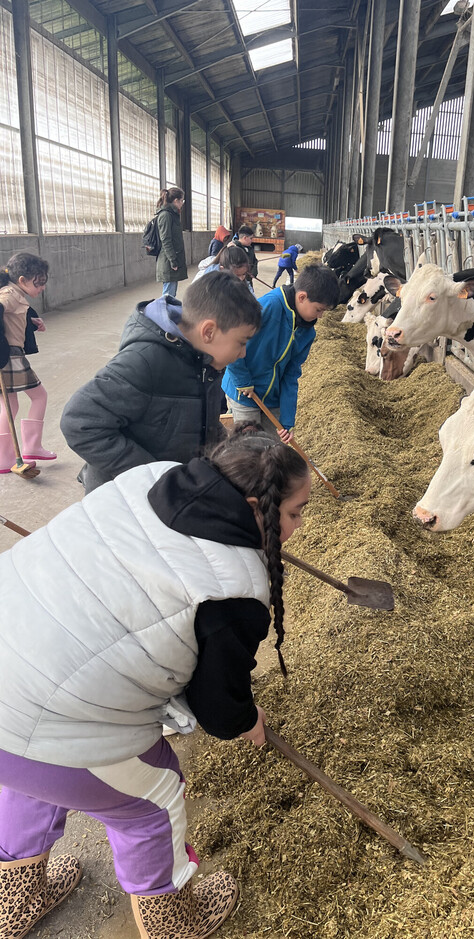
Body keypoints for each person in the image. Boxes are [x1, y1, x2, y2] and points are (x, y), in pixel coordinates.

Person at [0, 423, 311, 939]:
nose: (298, 527)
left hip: (10, 661)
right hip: (50, 708)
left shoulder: (151, 476)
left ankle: (16, 890)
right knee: (152, 797)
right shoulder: (234, 595)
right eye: (295, 513)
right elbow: (216, 706)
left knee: (29, 765)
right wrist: (247, 719)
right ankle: (173, 921)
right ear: (257, 506)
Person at [61, 272, 261, 494]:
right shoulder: (144, 361)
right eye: (241, 343)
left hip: (172, 491)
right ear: (208, 331)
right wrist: (154, 475)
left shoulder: (208, 363)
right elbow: (79, 422)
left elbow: (203, 423)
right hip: (126, 497)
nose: (243, 353)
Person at [222, 263, 339, 442]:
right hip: (245, 392)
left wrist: (287, 419)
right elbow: (231, 340)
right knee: (250, 446)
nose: (320, 316)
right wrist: (242, 379)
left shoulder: (307, 331)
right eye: (319, 309)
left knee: (273, 449)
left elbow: (291, 374)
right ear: (302, 297)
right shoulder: (268, 306)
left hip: (273, 399)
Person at [0, 252, 55, 472]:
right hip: (10, 357)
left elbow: (10, 318)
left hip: (11, 354)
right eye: (39, 282)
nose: (42, 287)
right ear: (23, 280)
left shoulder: (15, 294)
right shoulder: (10, 294)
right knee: (39, 396)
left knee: (9, 404)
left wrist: (31, 321)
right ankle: (30, 447)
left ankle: (7, 456)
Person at [155, 187, 188, 298]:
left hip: (171, 259)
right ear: (176, 201)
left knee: (170, 293)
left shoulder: (172, 215)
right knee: (168, 295)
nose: (182, 203)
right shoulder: (166, 215)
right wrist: (173, 260)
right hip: (168, 260)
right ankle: (164, 314)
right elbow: (166, 240)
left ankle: (167, 313)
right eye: (182, 200)